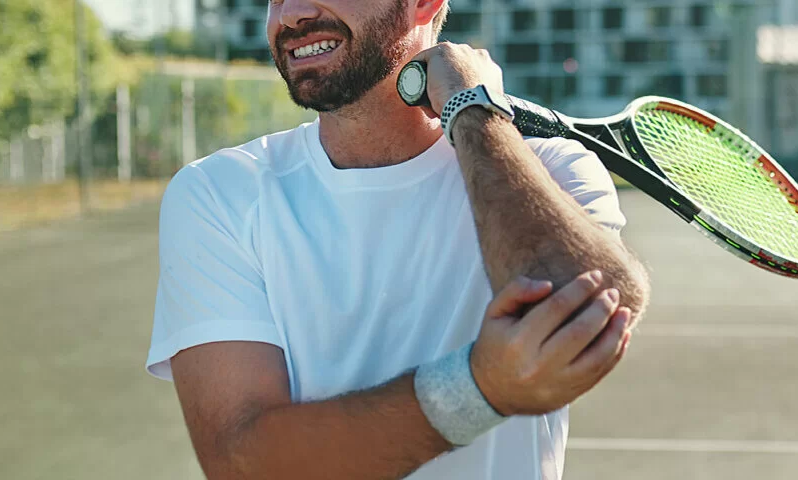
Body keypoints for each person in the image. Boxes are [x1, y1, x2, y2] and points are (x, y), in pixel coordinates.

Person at [144, 0, 650, 479]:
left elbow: (593, 313)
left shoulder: (555, 169)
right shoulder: (219, 191)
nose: (290, 13)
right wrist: (478, 389)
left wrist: (472, 114)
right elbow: (243, 461)